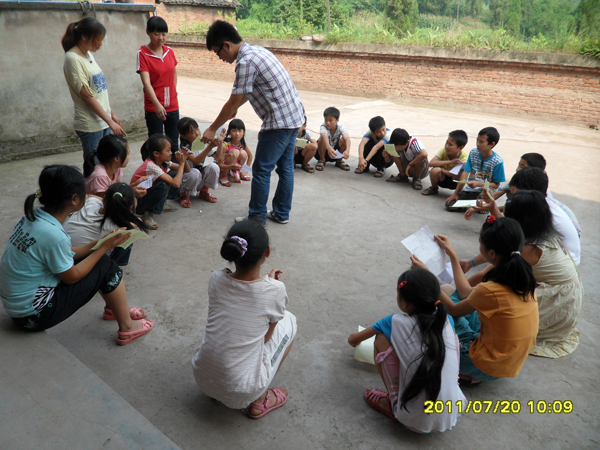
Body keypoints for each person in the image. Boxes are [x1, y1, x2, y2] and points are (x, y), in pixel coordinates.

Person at [0, 165, 152, 345]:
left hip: (18, 306)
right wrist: (104, 248)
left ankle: (115, 307)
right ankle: (127, 327)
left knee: (98, 260)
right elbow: (71, 277)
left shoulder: (33, 217)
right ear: (74, 199)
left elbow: (69, 254)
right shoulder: (54, 235)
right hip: (34, 316)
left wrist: (100, 242)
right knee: (106, 265)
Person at [201, 20, 305, 226]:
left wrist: (212, 128)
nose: (219, 58)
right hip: (294, 118)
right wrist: (236, 106)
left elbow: (232, 103)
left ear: (227, 45)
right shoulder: (258, 51)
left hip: (279, 123)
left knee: (261, 169)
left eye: (217, 52)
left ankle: (256, 218)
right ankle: (281, 213)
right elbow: (247, 92)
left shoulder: (245, 62)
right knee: (286, 168)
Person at [191, 220, 297, 418]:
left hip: (202, 378)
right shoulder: (275, 290)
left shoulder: (216, 278)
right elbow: (265, 338)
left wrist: (268, 285)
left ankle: (219, 390)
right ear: (267, 252)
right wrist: (271, 286)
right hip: (242, 391)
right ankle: (260, 399)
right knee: (290, 321)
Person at [347, 268, 466, 433]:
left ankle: (393, 403)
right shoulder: (446, 320)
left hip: (412, 419)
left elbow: (352, 340)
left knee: (381, 338)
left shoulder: (393, 321)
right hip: (454, 412)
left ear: (404, 303)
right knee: (450, 340)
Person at [436, 216, 538, 386]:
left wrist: (429, 282)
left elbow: (453, 309)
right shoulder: (524, 278)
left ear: (491, 253)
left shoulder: (491, 289)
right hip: (509, 364)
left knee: (437, 305)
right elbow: (466, 292)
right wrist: (452, 254)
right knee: (448, 290)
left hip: (484, 365)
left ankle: (464, 370)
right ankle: (471, 370)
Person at [504, 191, 584, 358]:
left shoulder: (529, 249)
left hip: (557, 303)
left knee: (499, 304)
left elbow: (497, 273)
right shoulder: (546, 236)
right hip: (569, 299)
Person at [62, 17, 126, 160]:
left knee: (108, 163)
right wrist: (109, 121)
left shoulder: (88, 54)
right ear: (85, 37)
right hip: (91, 124)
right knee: (94, 165)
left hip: (104, 120)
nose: (100, 44)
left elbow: (98, 90)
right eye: (98, 39)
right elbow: (87, 95)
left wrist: (111, 114)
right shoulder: (72, 58)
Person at [64, 183, 149, 267]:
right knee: (126, 236)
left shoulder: (91, 202)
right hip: (78, 262)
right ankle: (114, 265)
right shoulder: (117, 227)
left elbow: (89, 196)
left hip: (62, 250)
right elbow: (134, 223)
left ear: (104, 199)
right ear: (130, 208)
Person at [130, 135, 197, 228]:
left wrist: (184, 159)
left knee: (175, 173)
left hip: (146, 193)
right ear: (156, 154)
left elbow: (186, 170)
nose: (171, 153)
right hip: (137, 201)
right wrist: (181, 163)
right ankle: (147, 213)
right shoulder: (151, 165)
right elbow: (176, 184)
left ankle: (162, 203)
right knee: (162, 185)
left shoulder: (163, 162)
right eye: (168, 150)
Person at [137, 16, 180, 156]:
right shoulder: (143, 54)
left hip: (172, 105)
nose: (161, 38)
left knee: (174, 143)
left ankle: (174, 169)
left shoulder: (169, 51)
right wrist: (157, 105)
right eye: (156, 34)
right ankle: (156, 169)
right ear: (148, 33)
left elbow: (174, 73)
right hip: (154, 108)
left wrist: (173, 92)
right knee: (156, 145)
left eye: (163, 34)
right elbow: (146, 83)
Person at [445, 127, 505, 211]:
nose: (478, 144)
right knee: (450, 205)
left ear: (491, 144)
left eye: (481, 142)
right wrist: (456, 193)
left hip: (487, 191)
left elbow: (496, 185)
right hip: (473, 189)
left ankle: (483, 205)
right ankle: (477, 205)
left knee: (483, 197)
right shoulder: (473, 153)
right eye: (477, 140)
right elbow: (465, 172)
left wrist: (479, 184)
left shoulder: (498, 162)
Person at [83, 134, 147, 199]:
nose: (129, 157)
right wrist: (132, 192)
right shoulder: (100, 176)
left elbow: (118, 190)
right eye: (127, 154)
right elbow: (106, 201)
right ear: (116, 158)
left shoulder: (116, 168)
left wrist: (135, 185)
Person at [178, 117, 221, 203]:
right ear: (184, 136)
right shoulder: (185, 147)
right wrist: (210, 146)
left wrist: (220, 143)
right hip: (187, 180)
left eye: (197, 129)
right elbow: (196, 161)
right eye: (192, 132)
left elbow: (218, 157)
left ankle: (204, 191)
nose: (197, 133)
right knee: (194, 172)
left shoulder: (201, 143)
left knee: (214, 167)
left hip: (200, 179)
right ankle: (184, 194)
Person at [422, 130, 469, 196]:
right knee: (435, 170)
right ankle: (434, 188)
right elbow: (431, 163)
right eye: (447, 142)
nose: (447, 146)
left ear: (460, 148)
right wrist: (450, 162)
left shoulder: (464, 157)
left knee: (462, 173)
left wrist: (443, 170)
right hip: (442, 179)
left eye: (450, 145)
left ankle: (458, 193)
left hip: (454, 181)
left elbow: (459, 174)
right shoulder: (444, 150)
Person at [215, 119, 253, 186]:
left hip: (234, 167)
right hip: (223, 168)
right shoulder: (225, 145)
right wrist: (231, 166)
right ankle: (223, 175)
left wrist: (244, 170)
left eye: (240, 131)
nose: (237, 134)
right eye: (234, 131)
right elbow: (220, 164)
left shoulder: (242, 144)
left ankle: (238, 172)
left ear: (244, 132)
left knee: (243, 153)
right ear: (229, 132)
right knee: (235, 152)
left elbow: (250, 156)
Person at [315, 107, 351, 172]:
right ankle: (322, 160)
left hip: (335, 153)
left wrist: (347, 150)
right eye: (326, 120)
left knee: (344, 140)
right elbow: (324, 136)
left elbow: (347, 138)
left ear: (337, 120)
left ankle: (339, 160)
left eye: (331, 120)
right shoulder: (323, 126)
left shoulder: (340, 127)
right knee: (322, 138)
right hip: (323, 151)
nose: (328, 123)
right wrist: (328, 147)